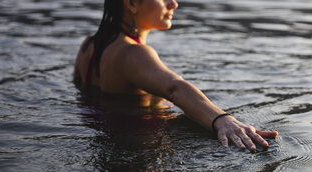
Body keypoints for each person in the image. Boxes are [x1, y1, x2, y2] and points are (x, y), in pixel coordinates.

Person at [74, 0, 278, 152]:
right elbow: (173, 87)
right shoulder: (134, 52)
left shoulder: (88, 46)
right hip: (142, 147)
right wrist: (223, 119)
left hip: (108, 144)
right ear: (133, 3)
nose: (173, 4)